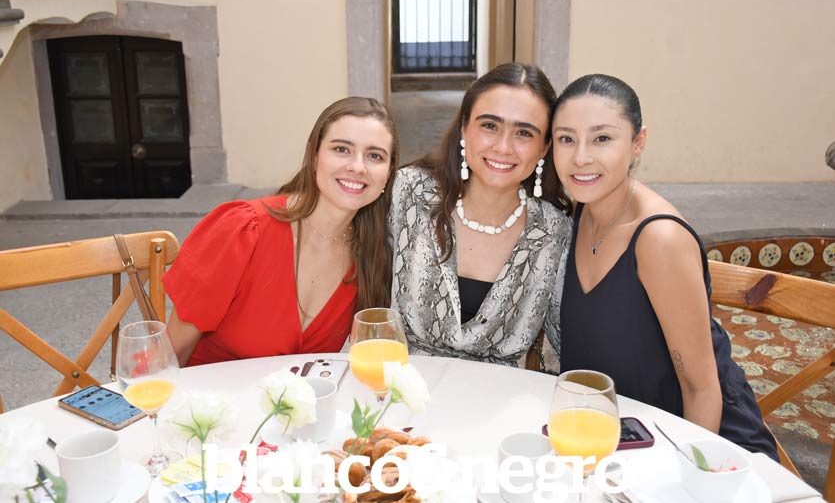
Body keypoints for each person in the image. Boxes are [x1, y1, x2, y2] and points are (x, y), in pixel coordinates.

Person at [546, 73, 778, 459]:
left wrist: (688, 473)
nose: (581, 157)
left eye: (602, 138)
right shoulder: (581, 211)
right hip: (616, 436)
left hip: (699, 446)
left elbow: (701, 390)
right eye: (566, 139)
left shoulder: (659, 238)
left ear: (638, 142)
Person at [164, 97, 399, 367]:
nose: (358, 166)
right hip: (204, 392)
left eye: (374, 156)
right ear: (314, 156)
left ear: (388, 173)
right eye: (342, 149)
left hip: (296, 394)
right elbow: (171, 358)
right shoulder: (242, 231)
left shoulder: (371, 255)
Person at [389, 63, 573, 367]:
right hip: (402, 386)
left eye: (524, 133)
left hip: (500, 394)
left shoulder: (556, 232)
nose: (503, 147)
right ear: (464, 128)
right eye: (490, 125)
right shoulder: (409, 192)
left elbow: (570, 342)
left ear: (544, 148)